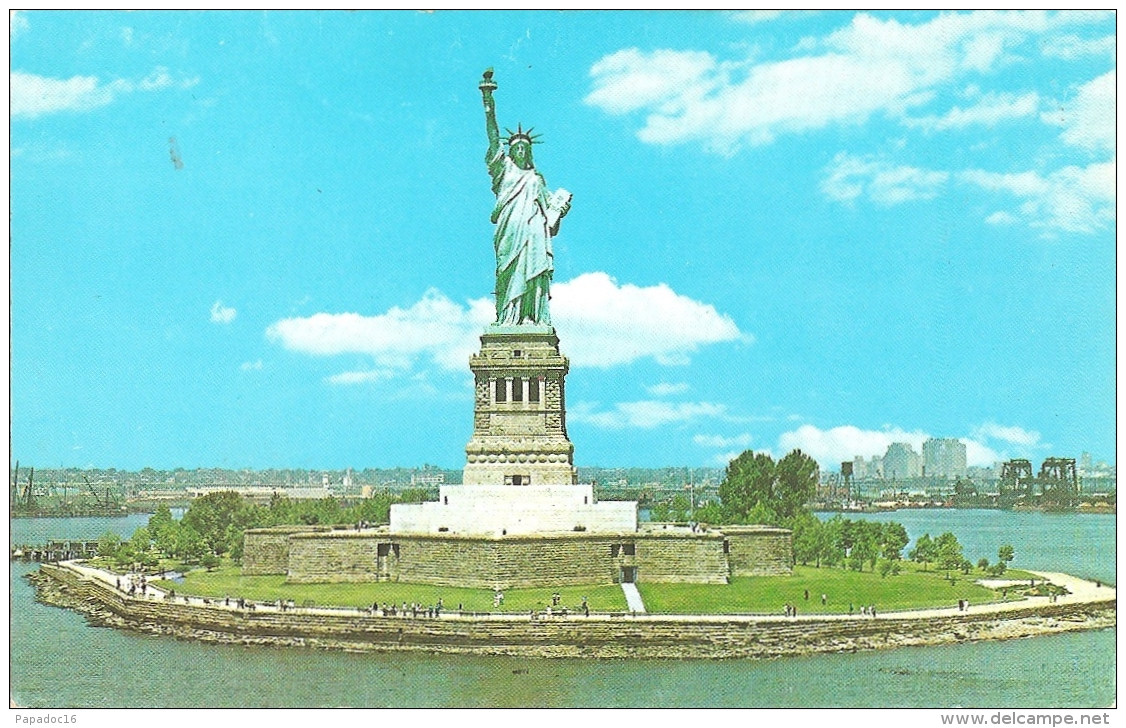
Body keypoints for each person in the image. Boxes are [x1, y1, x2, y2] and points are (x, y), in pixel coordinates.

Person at [479, 69, 570, 326]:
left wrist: (559, 211)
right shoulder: (504, 169)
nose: (519, 150)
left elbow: (551, 224)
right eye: (515, 147)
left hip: (533, 232)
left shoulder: (537, 179)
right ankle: (508, 317)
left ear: (529, 152)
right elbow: (493, 135)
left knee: (532, 271)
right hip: (509, 229)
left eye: (524, 148)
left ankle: (529, 315)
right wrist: (488, 102)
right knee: (507, 271)